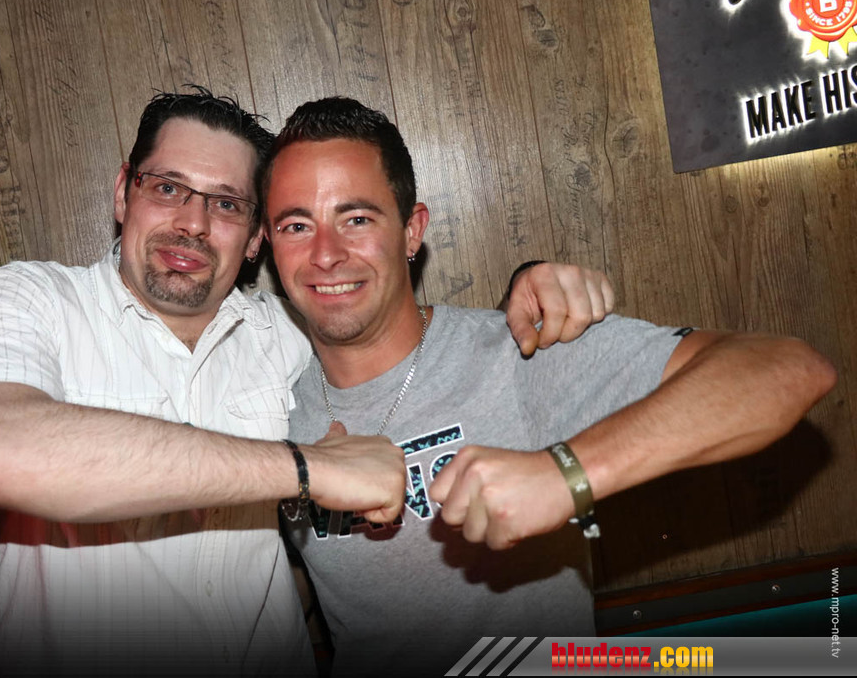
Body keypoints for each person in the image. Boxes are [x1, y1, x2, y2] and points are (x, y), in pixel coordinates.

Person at [0, 88, 612, 676]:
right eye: (167, 188)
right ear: (122, 192)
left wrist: (531, 288)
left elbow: (386, 318)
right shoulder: (32, 300)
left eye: (227, 204)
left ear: (256, 236)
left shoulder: (284, 337)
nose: (192, 223)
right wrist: (307, 468)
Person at [264, 97, 837, 677]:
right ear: (268, 244)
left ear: (412, 231)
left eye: (357, 219)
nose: (326, 254)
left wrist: (566, 474)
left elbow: (786, 370)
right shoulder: (271, 407)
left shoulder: (517, 354)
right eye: (296, 226)